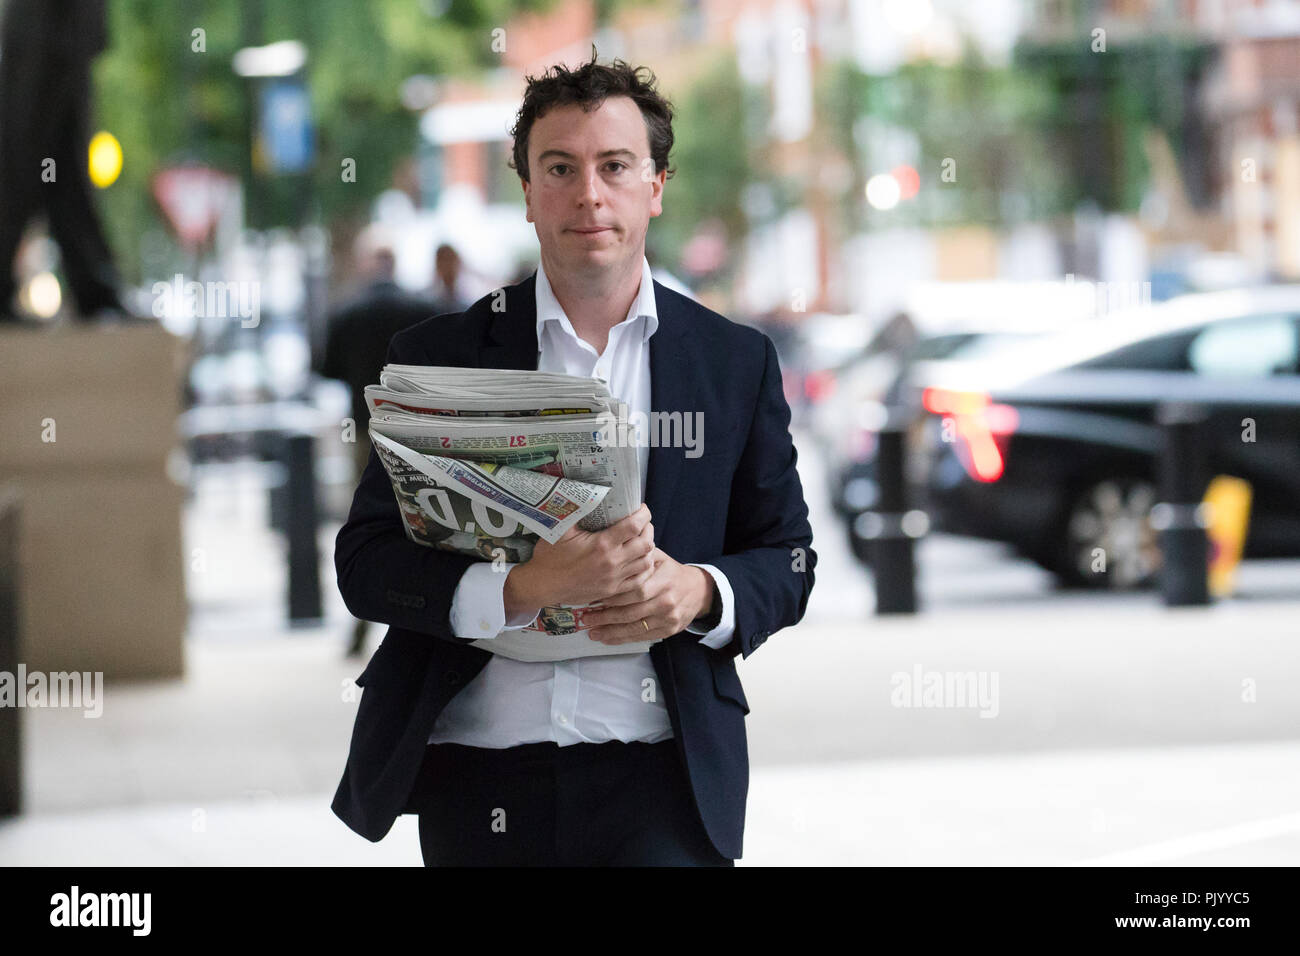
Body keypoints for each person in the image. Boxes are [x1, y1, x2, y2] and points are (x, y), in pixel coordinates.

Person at [330, 52, 816, 866]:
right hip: (479, 783)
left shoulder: (734, 363)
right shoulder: (439, 356)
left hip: (663, 782)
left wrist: (698, 592)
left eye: (615, 166)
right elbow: (365, 562)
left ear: (656, 185)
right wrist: (517, 591)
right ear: (526, 191)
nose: (588, 194)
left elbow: (790, 558)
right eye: (559, 168)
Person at [318, 228, 437, 657]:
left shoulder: (348, 313)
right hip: (415, 433)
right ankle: (419, 621)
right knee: (423, 525)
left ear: (371, 265)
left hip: (365, 432)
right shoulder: (422, 308)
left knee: (369, 528)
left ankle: (361, 627)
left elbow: (325, 367)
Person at [0, 0, 126, 321]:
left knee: (63, 169)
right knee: (23, 161)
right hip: (45, 32)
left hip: (65, 32)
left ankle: (95, 288)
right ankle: (95, 289)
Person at [428, 243, 472, 316]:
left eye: (451, 260)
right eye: (443, 260)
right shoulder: (426, 299)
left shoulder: (468, 300)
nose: (447, 266)